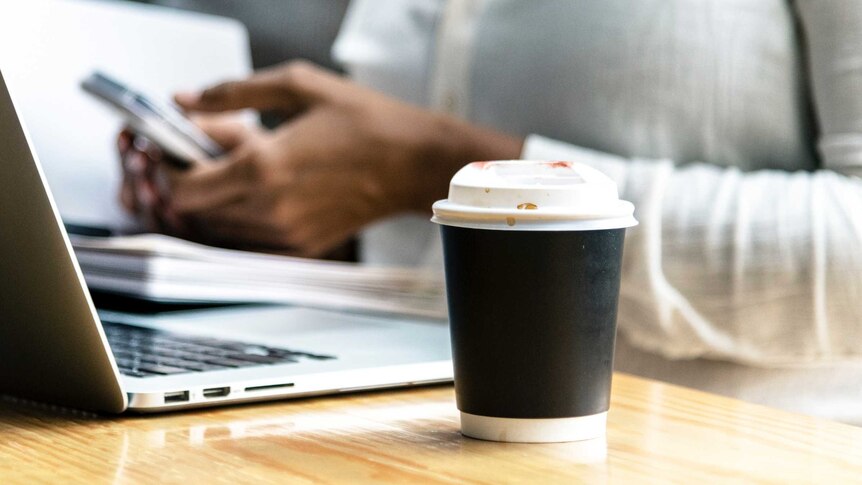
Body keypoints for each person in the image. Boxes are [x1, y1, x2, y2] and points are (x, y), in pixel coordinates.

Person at [119, 0, 862, 424]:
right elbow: (392, 222)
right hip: (364, 427)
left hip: (714, 448)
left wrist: (422, 170)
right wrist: (274, 204)